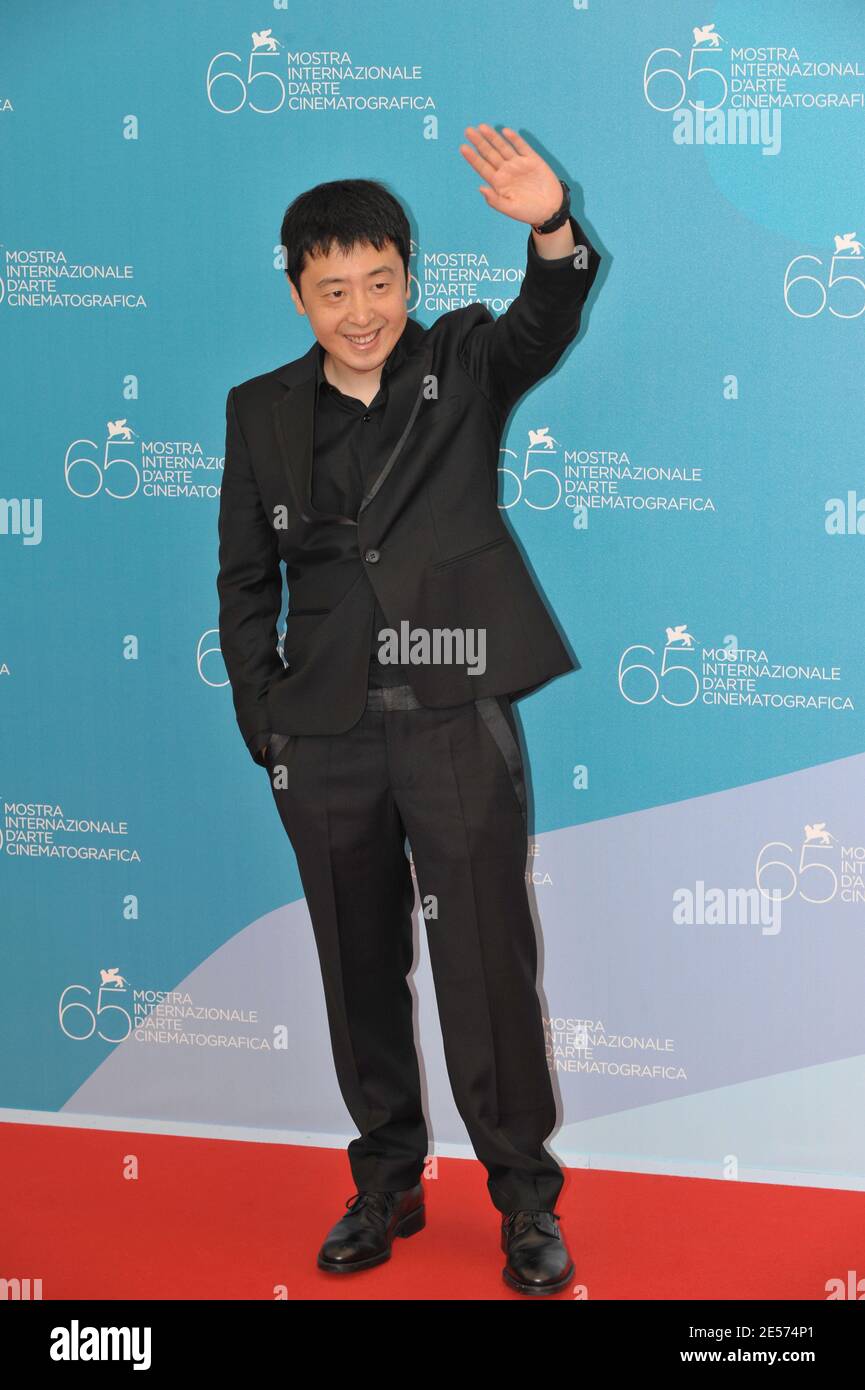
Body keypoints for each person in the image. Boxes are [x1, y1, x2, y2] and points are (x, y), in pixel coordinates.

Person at [217, 122, 601, 1296]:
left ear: (409, 276)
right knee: (356, 963)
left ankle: (523, 1202)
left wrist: (549, 227)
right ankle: (383, 1184)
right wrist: (267, 723)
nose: (361, 308)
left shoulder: (462, 364)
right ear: (298, 295)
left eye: (380, 282)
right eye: (333, 290)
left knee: (486, 963)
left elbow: (546, 317)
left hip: (450, 712)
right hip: (323, 735)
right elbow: (243, 579)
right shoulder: (258, 409)